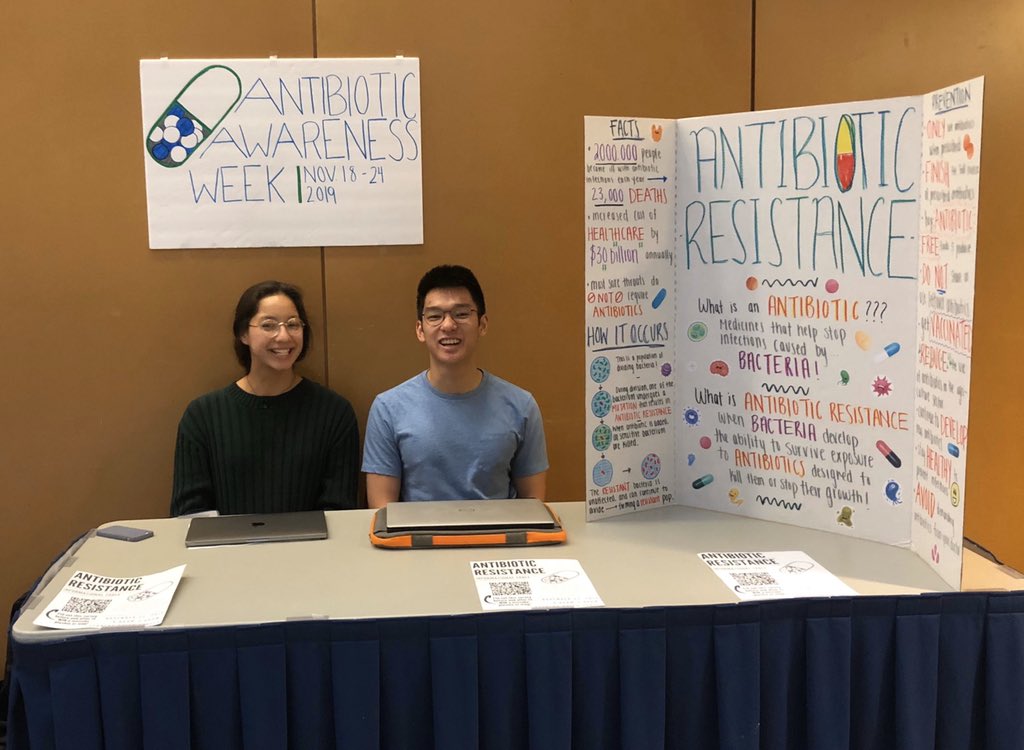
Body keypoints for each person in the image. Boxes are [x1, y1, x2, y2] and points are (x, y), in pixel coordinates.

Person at [362, 264, 548, 506]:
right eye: (435, 316)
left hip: (499, 541)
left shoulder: (521, 406)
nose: (448, 325)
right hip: (418, 542)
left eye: (461, 314)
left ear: (482, 324)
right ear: (420, 329)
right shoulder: (388, 409)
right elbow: (382, 511)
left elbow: (533, 505)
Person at [170, 281, 359, 516]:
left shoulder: (334, 413)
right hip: (223, 551)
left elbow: (339, 511)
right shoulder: (202, 416)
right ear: (243, 333)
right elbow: (190, 513)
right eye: (268, 325)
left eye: (293, 325)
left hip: (311, 551)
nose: (283, 336)